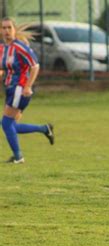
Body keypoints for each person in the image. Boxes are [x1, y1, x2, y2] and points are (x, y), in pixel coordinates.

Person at [0, 17, 54, 164]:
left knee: (5, 123)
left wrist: (28, 86)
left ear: (14, 29)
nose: (6, 31)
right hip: (10, 89)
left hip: (20, 89)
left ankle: (18, 157)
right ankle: (44, 129)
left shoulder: (19, 47)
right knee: (11, 126)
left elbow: (35, 66)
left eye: (9, 28)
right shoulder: (3, 48)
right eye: (3, 28)